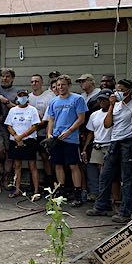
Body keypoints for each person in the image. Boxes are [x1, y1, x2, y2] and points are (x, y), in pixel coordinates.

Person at [87, 79, 132, 222]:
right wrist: (112, 105)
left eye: (120, 89)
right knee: (105, 175)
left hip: (130, 144)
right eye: (116, 90)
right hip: (115, 143)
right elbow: (107, 124)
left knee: (128, 178)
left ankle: (125, 213)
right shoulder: (117, 105)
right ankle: (101, 206)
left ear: (129, 90)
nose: (117, 92)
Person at [46, 75, 88, 207]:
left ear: (68, 85)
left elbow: (81, 118)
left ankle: (77, 194)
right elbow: (51, 119)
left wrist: (69, 131)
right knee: (58, 164)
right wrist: (49, 133)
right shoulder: (54, 101)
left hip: (71, 139)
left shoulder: (77, 99)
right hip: (56, 138)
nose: (60, 87)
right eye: (58, 85)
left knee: (73, 165)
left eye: (63, 85)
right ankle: (61, 191)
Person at [5, 89, 41, 198]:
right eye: (20, 96)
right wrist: (16, 136)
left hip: (29, 140)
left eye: (24, 96)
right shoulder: (12, 110)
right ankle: (17, 190)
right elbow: (9, 125)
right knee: (17, 165)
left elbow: (35, 126)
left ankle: (36, 191)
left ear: (27, 97)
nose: (22, 98)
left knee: (32, 165)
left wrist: (22, 136)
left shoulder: (32, 110)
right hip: (15, 140)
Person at [82, 89, 113, 201]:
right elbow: (91, 132)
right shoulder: (94, 114)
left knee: (106, 173)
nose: (102, 101)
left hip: (110, 145)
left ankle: (108, 196)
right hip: (97, 145)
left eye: (105, 99)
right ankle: (98, 194)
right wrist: (85, 148)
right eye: (100, 99)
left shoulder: (115, 112)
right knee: (95, 170)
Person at [0, 68, 19, 188]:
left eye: (7, 76)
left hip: (12, 126)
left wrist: (6, 102)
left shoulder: (16, 92)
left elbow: (19, 107)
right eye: (2, 76)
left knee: (10, 152)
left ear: (12, 78)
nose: (4, 78)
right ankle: (0, 167)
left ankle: (6, 177)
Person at [28, 74, 56, 188]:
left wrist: (41, 123)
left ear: (42, 82)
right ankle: (33, 183)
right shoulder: (28, 97)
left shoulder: (49, 96)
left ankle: (50, 181)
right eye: (32, 81)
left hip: (44, 131)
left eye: (37, 81)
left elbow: (50, 116)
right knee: (31, 158)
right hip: (30, 133)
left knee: (45, 156)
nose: (34, 83)